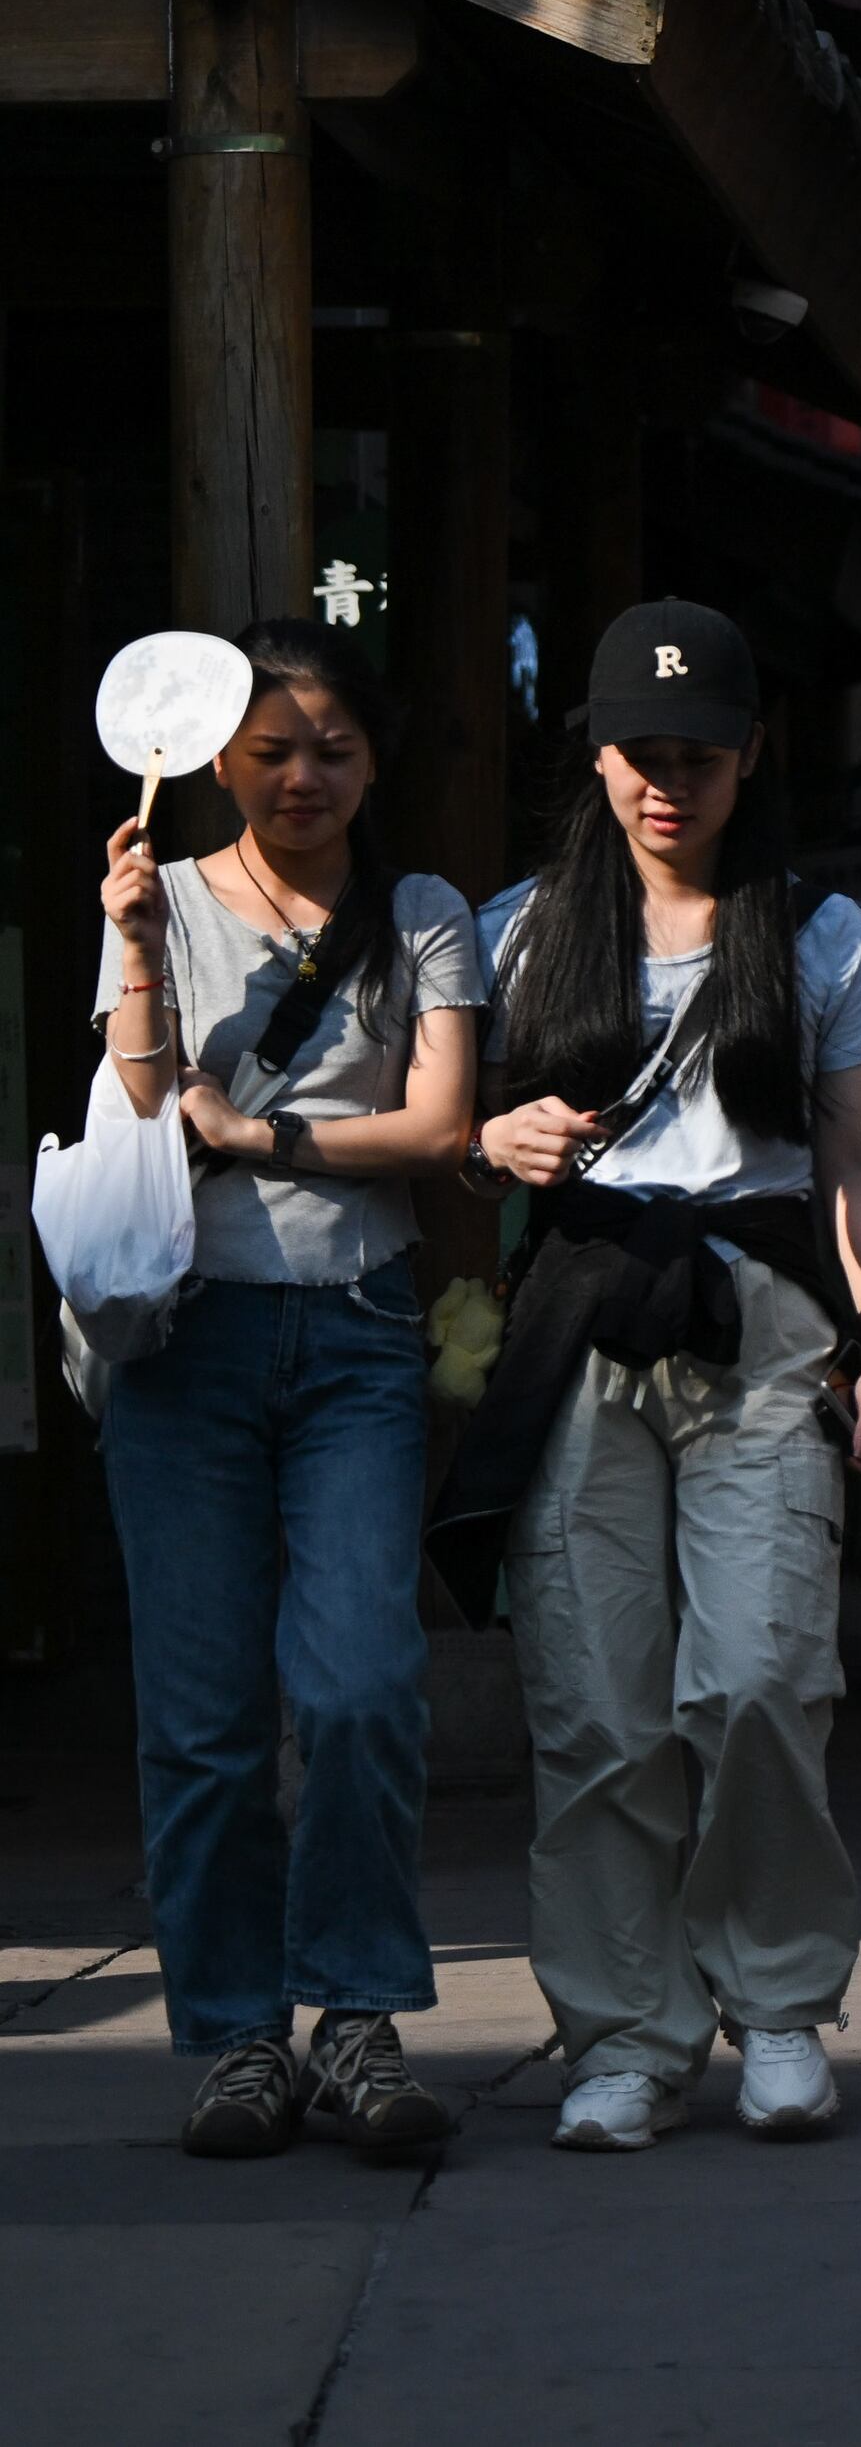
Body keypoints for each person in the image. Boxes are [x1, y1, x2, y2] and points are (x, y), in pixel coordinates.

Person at [467, 604, 861, 2155]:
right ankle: (622, 2033)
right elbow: (444, 1129)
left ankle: (778, 2005)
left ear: (750, 760)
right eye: (643, 759)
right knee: (593, 1702)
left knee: (762, 1673)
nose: (671, 788)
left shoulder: (817, 934)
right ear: (595, 757)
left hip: (765, 1313)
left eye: (701, 761)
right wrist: (489, 1139)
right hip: (580, 1314)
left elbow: (858, 1152)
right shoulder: (514, 930)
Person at [89, 623, 485, 2159]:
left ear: (374, 758)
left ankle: (360, 2017)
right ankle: (242, 2039)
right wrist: (130, 947)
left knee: (362, 1685)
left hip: (359, 1333)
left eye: (331, 745)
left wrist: (256, 1139)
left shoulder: (423, 914)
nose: (302, 773)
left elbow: (441, 1126)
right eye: (270, 749)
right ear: (215, 761)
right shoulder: (166, 899)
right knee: (200, 1718)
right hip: (185, 1342)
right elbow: (138, 1104)